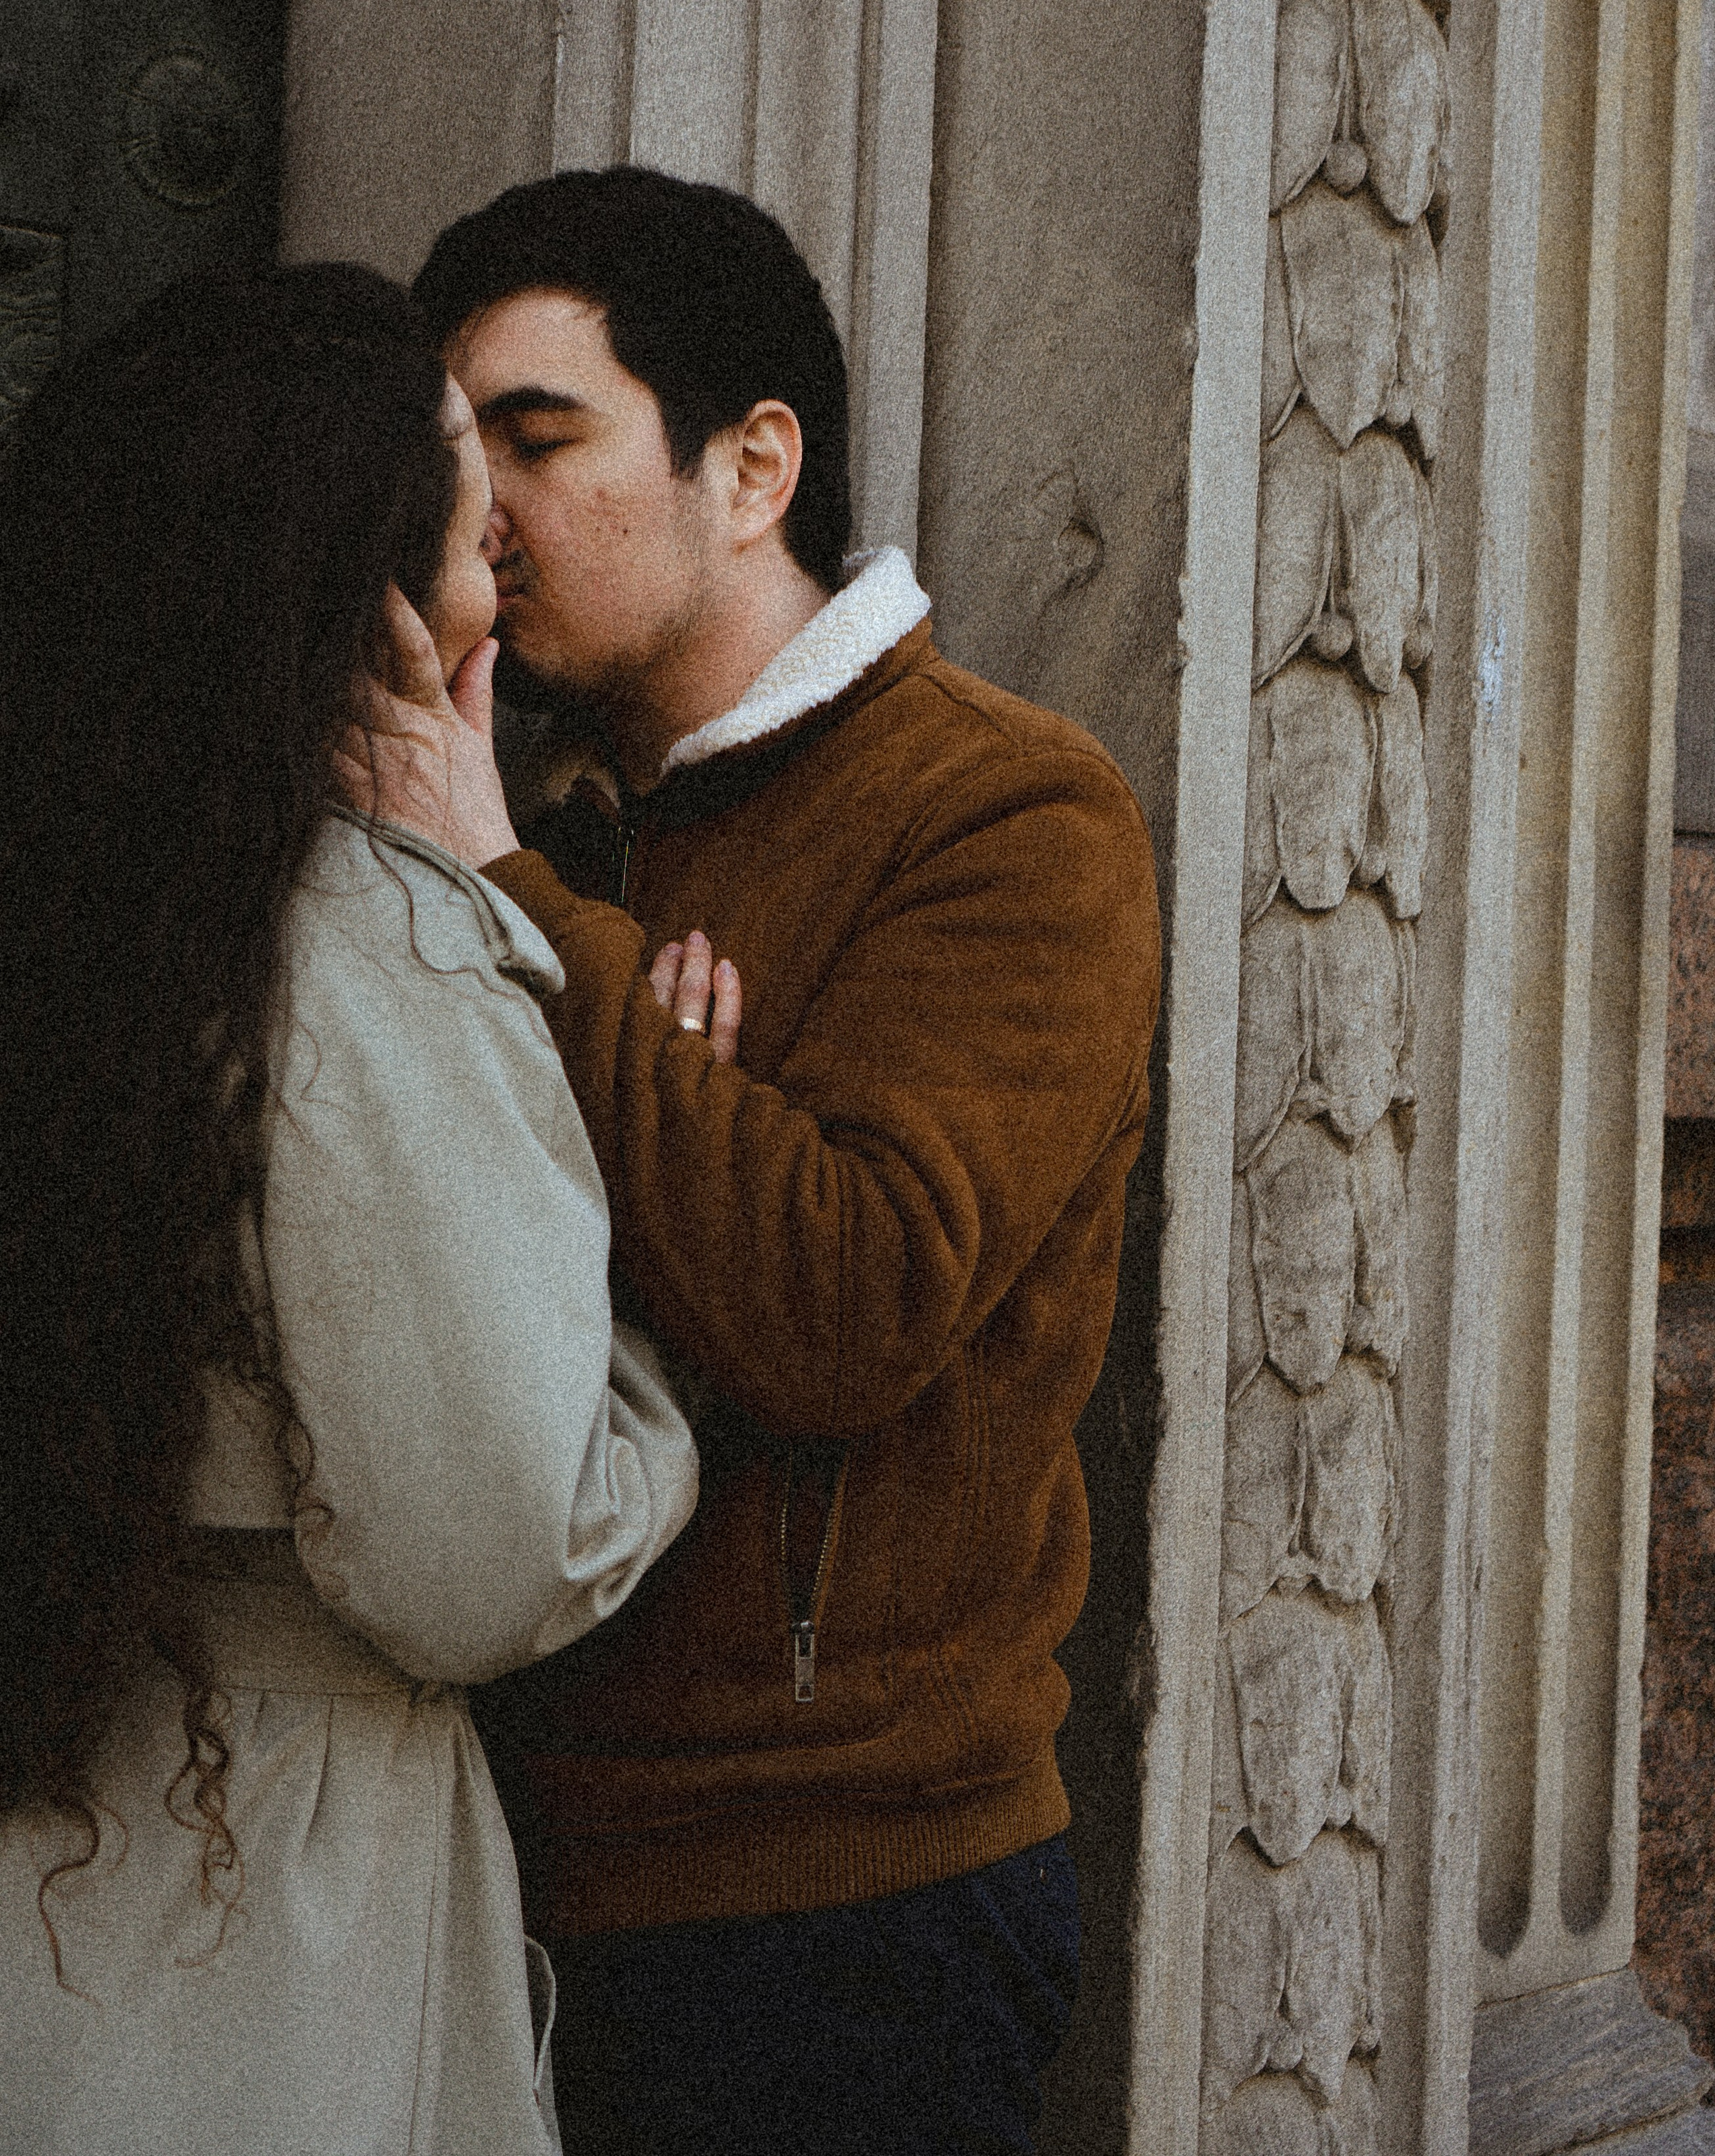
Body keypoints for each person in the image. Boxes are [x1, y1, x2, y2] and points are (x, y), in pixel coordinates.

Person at [353, 164, 1163, 2156]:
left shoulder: (1005, 812)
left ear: (754, 465)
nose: (490, 521)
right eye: (467, 462)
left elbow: (844, 1300)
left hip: (840, 1908)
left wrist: (528, 915)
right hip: (503, 1853)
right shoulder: (529, 805)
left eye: (545, 440)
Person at [0, 265, 704, 2156]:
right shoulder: (362, 946)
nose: (512, 589)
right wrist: (653, 1430)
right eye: (480, 538)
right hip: (258, 1917)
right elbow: (496, 1554)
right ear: (372, 610)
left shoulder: (66, 899)